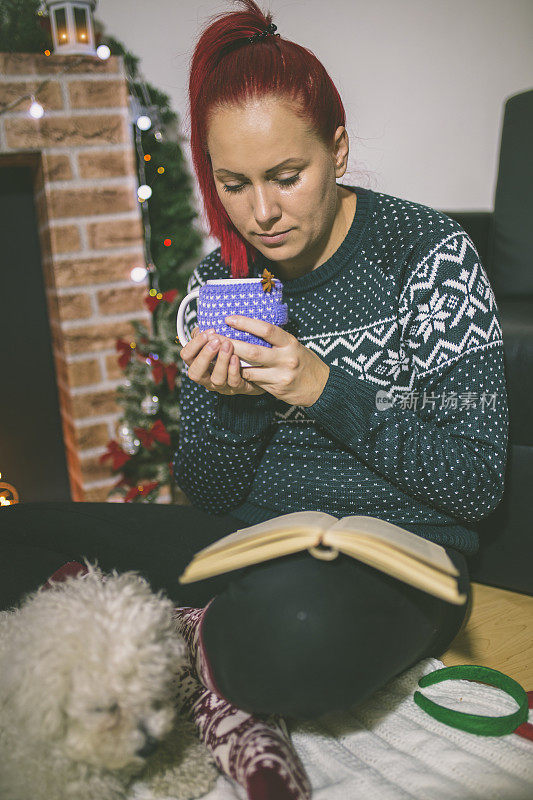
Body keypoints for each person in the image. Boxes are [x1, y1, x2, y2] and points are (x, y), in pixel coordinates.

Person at [0, 0, 508, 722]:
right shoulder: (220, 282)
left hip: (397, 555)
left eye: (286, 175)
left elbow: (476, 481)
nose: (261, 213)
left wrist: (321, 386)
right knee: (12, 538)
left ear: (335, 149)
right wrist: (233, 409)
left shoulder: (427, 254)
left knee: (289, 636)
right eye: (233, 185)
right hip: (248, 540)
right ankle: (180, 639)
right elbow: (207, 492)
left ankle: (166, 643)